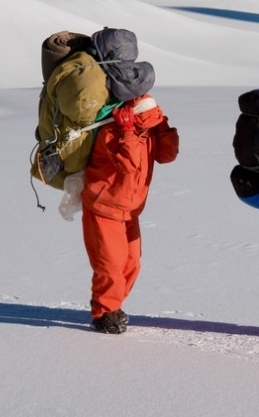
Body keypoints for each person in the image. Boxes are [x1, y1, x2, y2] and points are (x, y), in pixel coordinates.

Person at [39, 29, 177, 335]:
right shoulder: (112, 129)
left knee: (131, 266)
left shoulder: (148, 122)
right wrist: (128, 132)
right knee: (110, 267)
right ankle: (105, 312)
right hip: (103, 204)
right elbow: (126, 168)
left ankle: (110, 305)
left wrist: (161, 125)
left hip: (131, 207)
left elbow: (168, 155)